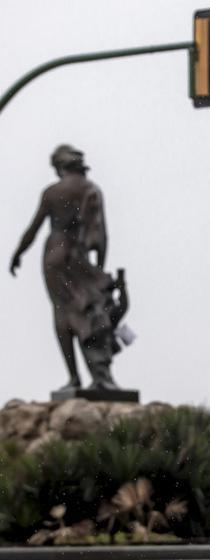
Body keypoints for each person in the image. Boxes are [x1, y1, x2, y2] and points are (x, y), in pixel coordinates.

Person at [10, 144, 122, 391]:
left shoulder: (51, 192)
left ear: (59, 167)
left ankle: (74, 377)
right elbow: (101, 234)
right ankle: (100, 375)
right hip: (79, 255)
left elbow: (33, 228)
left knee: (62, 313)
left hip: (55, 254)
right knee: (89, 308)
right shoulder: (92, 190)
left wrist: (18, 253)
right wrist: (99, 267)